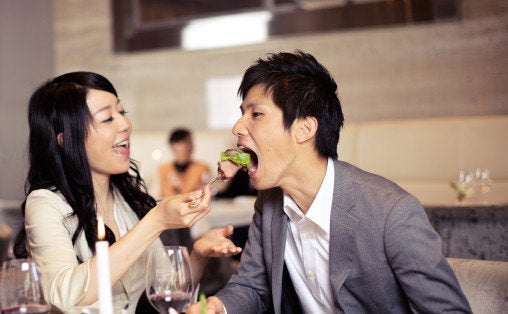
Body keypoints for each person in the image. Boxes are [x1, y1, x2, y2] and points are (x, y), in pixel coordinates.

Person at [187, 51, 471, 313]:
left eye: (256, 114)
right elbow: (252, 287)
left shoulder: (391, 211)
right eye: (242, 114)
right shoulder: (270, 203)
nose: (237, 128)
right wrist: (218, 307)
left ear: (305, 128)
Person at [12, 72, 240, 313]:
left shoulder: (126, 199)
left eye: (122, 113)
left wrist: (198, 255)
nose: (125, 124)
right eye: (107, 118)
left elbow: (164, 292)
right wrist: (156, 221)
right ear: (67, 140)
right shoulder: (46, 204)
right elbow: (64, 296)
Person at [158, 128, 211, 199]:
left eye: (189, 142)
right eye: (182, 143)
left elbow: (203, 193)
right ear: (172, 146)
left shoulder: (203, 168)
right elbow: (163, 196)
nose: (187, 147)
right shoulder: (163, 169)